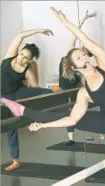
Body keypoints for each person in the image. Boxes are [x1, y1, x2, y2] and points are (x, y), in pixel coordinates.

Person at [1, 7, 105, 186]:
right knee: (65, 114)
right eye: (79, 58)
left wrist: (65, 23)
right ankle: (23, 110)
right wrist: (43, 125)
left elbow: (85, 40)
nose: (85, 58)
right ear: (75, 68)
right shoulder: (84, 92)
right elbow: (72, 120)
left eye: (84, 55)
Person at [1, 28, 54, 171]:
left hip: (15, 95)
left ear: (30, 60)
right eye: (22, 54)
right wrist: (40, 31)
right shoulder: (10, 56)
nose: (21, 58)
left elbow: (36, 88)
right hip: (3, 96)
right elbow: (20, 34)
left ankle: (15, 160)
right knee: (9, 128)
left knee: (11, 128)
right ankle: (16, 161)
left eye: (25, 58)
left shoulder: (27, 70)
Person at [58, 10, 97, 146]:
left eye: (84, 53)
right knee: (69, 111)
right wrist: (85, 18)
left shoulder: (83, 65)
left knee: (76, 110)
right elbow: (75, 33)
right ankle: (71, 138)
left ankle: (72, 137)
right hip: (65, 88)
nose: (82, 54)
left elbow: (86, 78)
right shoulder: (69, 55)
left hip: (73, 88)